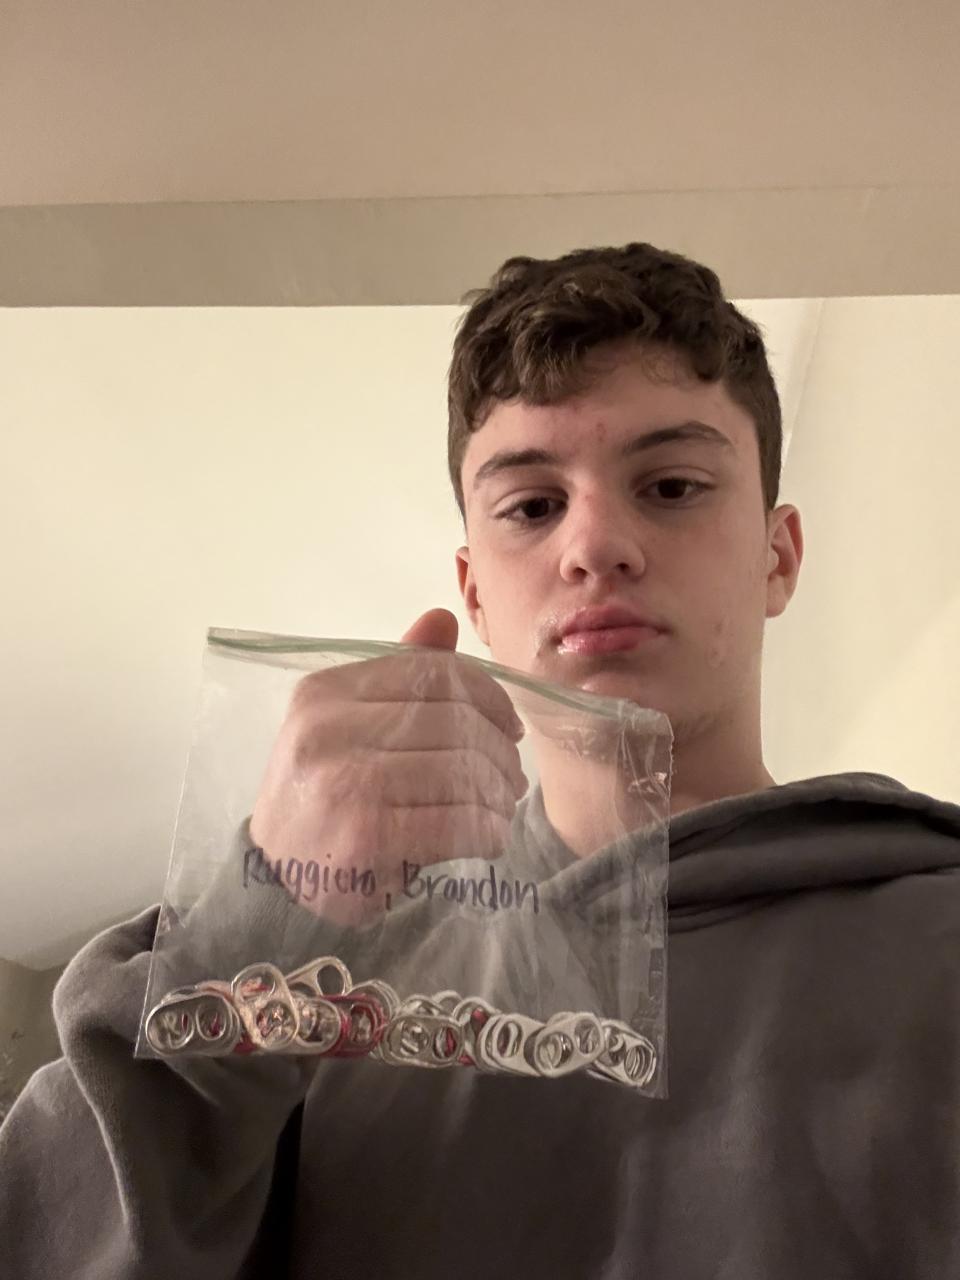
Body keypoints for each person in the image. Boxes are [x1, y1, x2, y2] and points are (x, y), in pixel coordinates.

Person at [2, 242, 960, 1280]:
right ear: (473, 592)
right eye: (532, 507)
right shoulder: (324, 987)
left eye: (673, 485)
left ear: (778, 556)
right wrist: (249, 942)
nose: (593, 545)